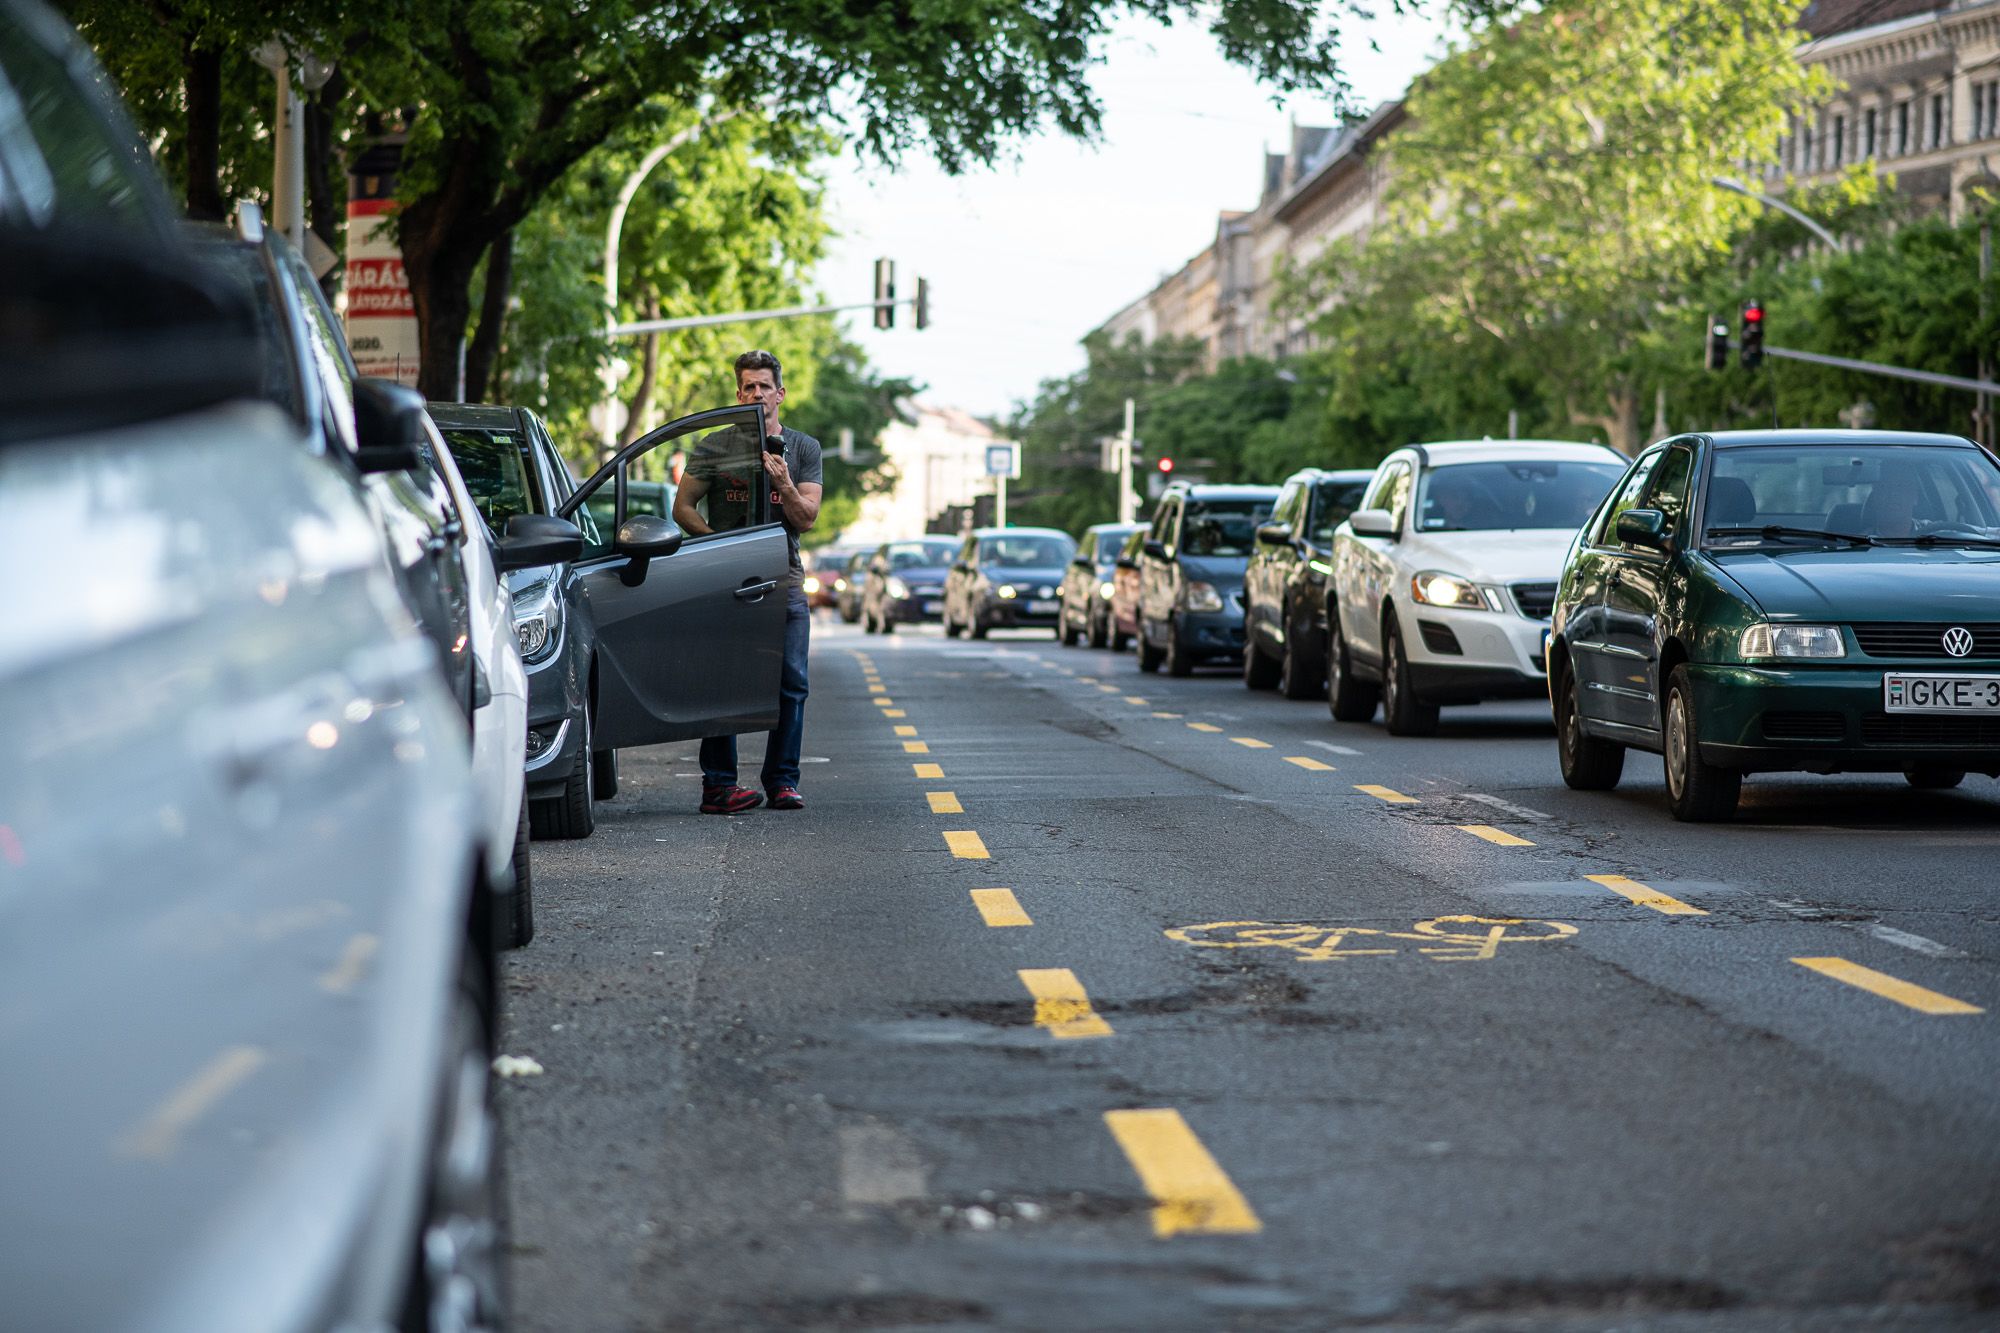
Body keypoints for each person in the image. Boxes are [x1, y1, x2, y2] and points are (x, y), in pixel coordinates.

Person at [672, 349, 823, 813]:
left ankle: (783, 782)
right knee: (722, 679)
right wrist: (717, 546)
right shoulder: (715, 446)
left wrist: (784, 483)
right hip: (727, 580)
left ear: (781, 394)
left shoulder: (803, 449)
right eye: (749, 387)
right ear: (738, 394)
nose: (757, 394)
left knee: (791, 682)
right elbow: (682, 508)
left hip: (785, 580)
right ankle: (719, 786)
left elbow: (807, 517)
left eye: (765, 386)